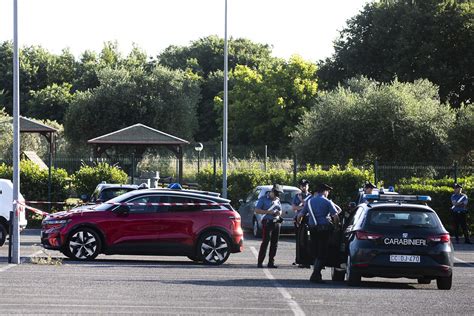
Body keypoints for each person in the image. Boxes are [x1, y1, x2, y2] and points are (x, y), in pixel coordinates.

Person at [298, 183, 340, 283]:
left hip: (313, 229)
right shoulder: (327, 202)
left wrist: (299, 225)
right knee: (322, 253)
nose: (328, 193)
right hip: (324, 230)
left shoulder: (309, 202)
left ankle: (317, 275)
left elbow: (300, 215)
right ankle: (315, 275)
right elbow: (335, 216)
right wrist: (336, 226)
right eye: (328, 191)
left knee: (316, 251)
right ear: (324, 191)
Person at [256, 184, 284, 268]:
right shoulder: (263, 199)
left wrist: (279, 213)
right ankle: (260, 262)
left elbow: (280, 209)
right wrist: (269, 212)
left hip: (276, 222)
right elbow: (257, 210)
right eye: (276, 193)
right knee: (265, 242)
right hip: (267, 222)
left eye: (278, 194)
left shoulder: (277, 200)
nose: (277, 195)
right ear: (272, 191)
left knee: (274, 243)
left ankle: (271, 262)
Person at [292, 179, 312, 268]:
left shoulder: (311, 196)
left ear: (308, 186)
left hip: (308, 219)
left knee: (308, 241)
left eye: (305, 185)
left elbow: (310, 207)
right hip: (299, 219)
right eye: (302, 185)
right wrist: (303, 205)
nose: (304, 187)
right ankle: (299, 259)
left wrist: (302, 203)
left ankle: (308, 260)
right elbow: (294, 207)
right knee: (299, 240)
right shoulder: (297, 196)